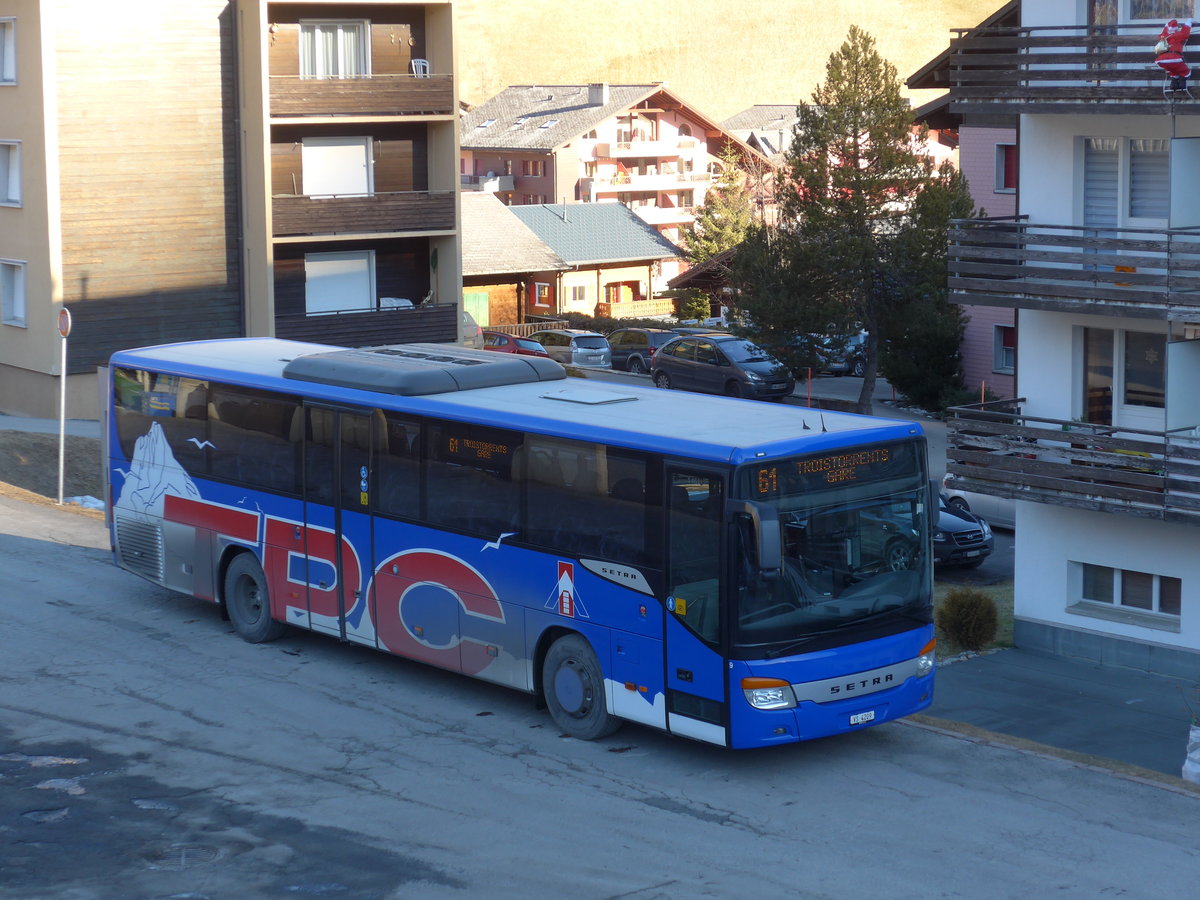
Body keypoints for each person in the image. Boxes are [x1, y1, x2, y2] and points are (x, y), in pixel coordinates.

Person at [1155, 18, 1193, 93]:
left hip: (1161, 60)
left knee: (1173, 70)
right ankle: (1182, 83)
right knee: (1185, 72)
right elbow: (1185, 33)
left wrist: (1166, 26)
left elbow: (1165, 30)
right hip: (1174, 57)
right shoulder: (1178, 35)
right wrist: (1189, 22)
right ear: (1176, 28)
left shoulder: (1164, 35)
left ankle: (1174, 84)